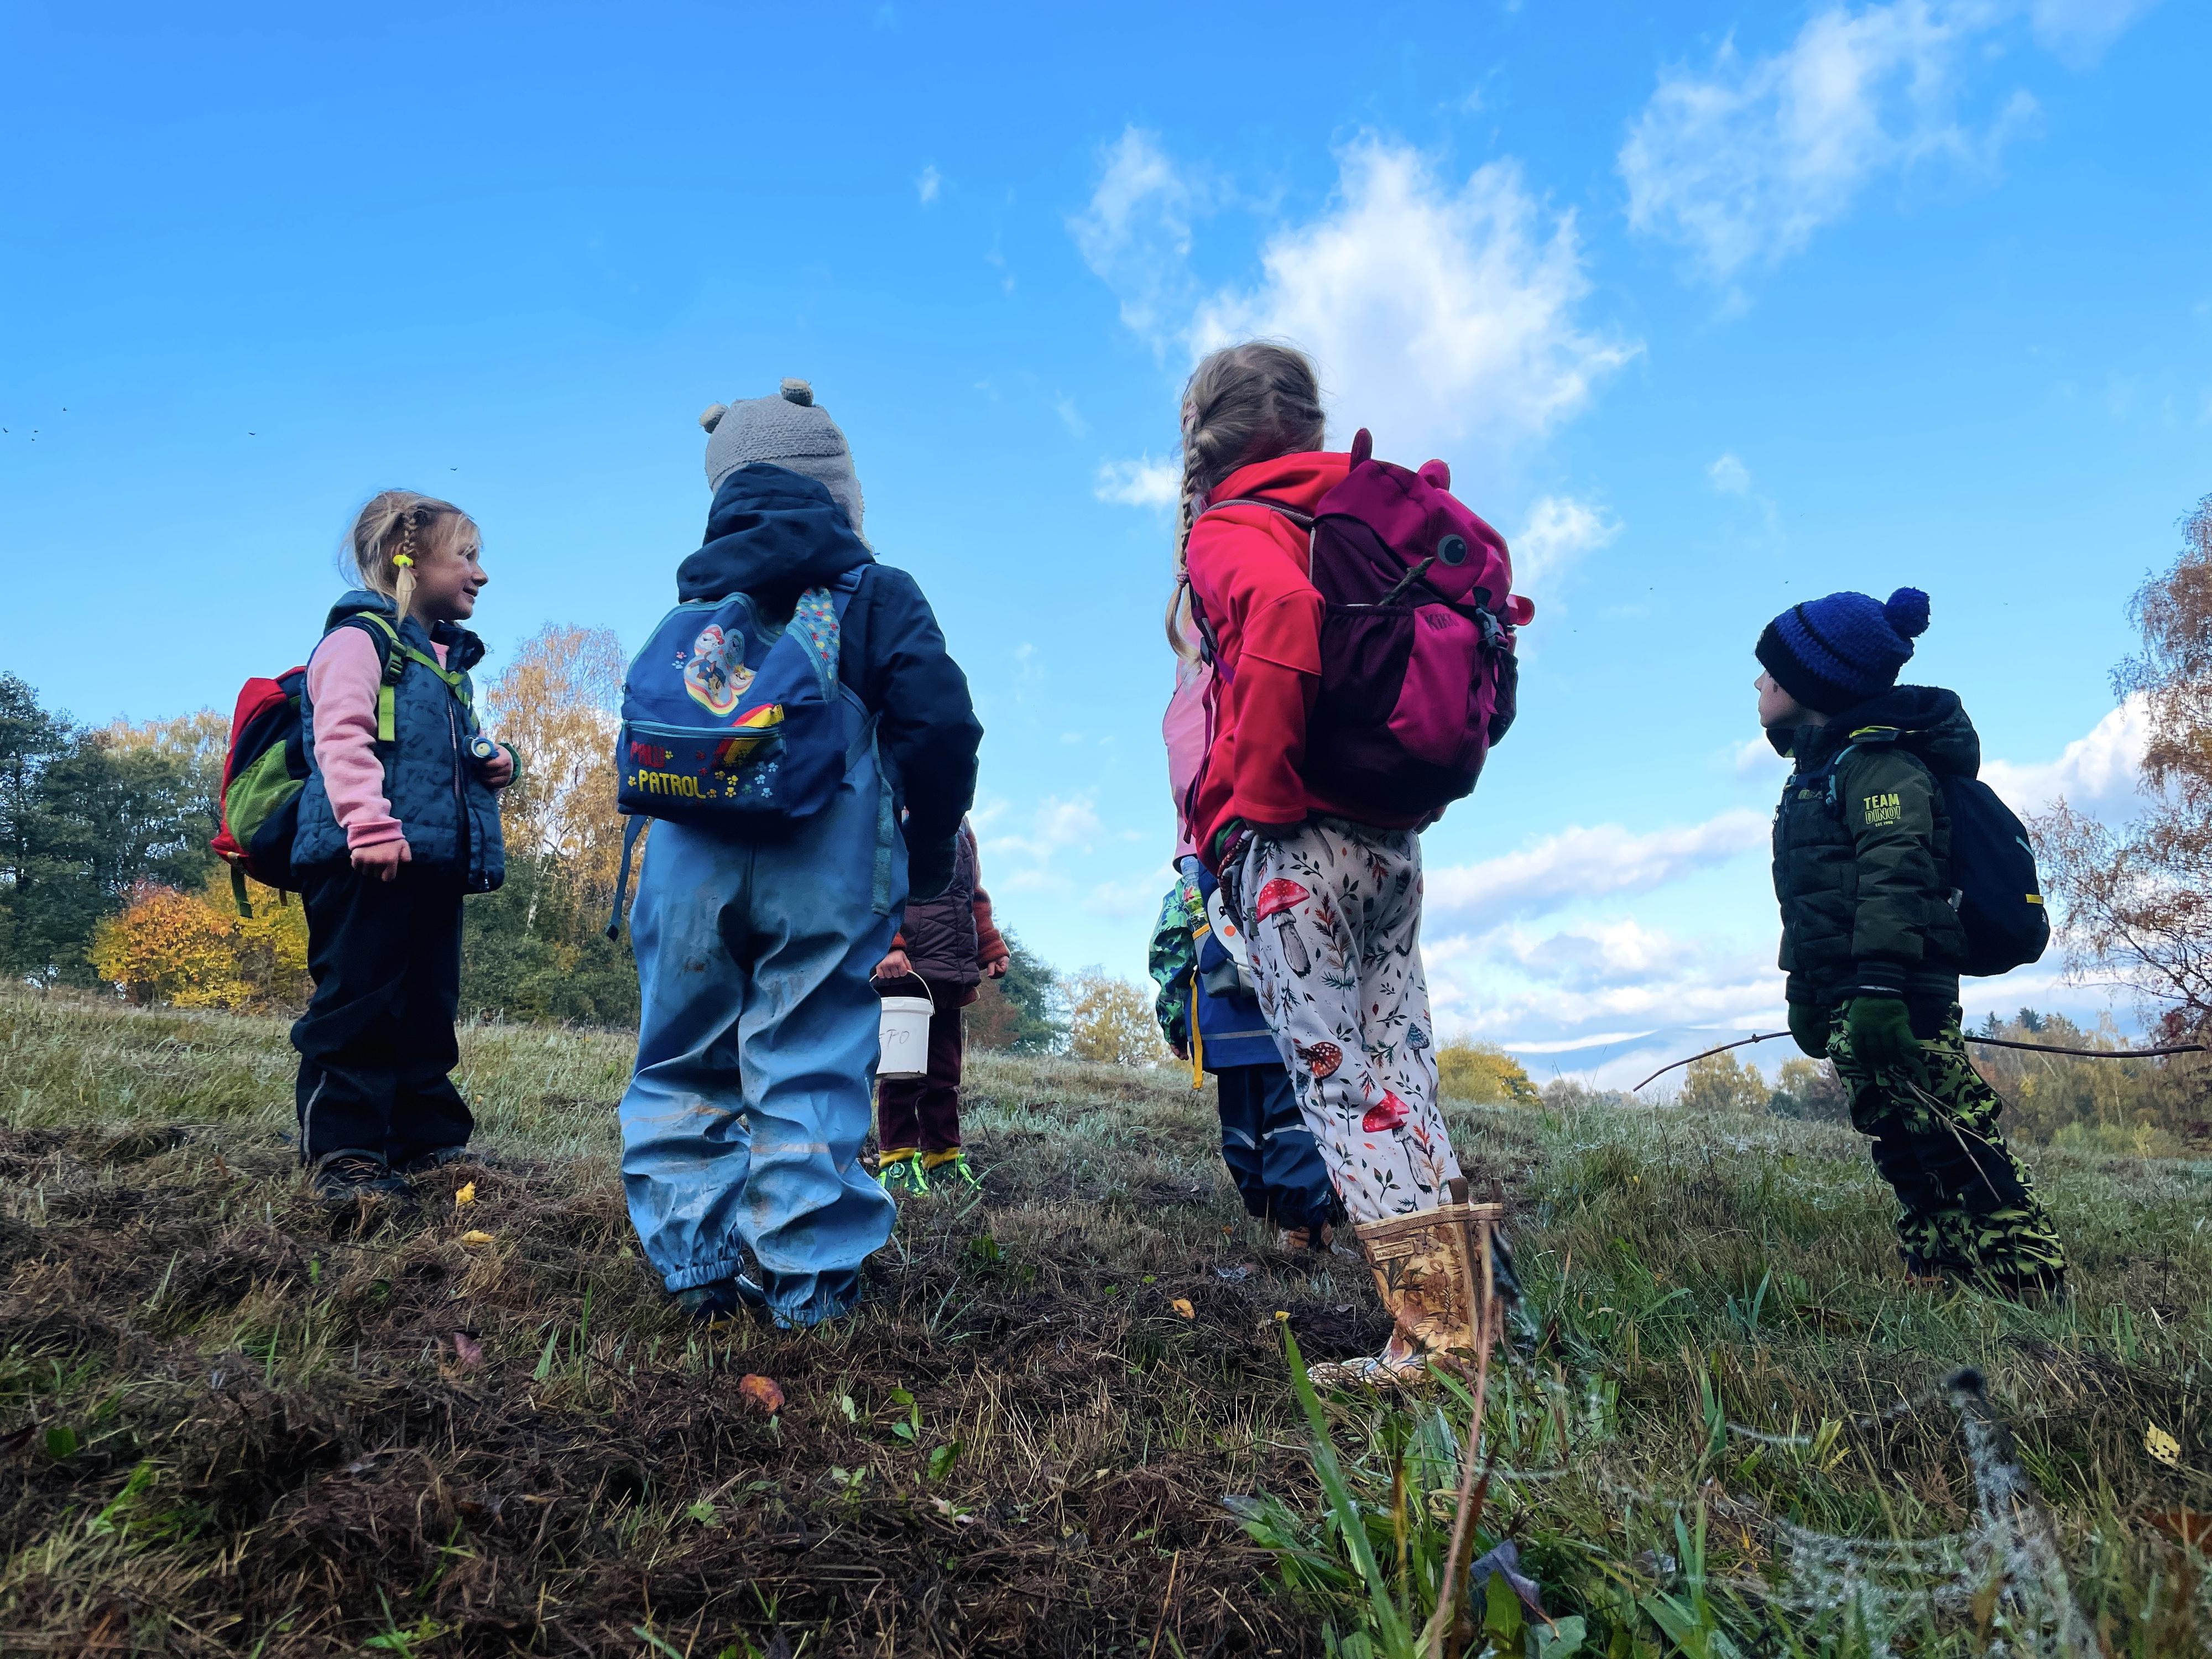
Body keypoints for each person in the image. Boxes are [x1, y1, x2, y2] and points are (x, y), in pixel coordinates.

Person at [1175, 341, 1507, 1385]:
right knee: (1401, 1072)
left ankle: (1431, 1340)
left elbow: (1278, 616)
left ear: (1204, 437)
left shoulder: (1234, 525)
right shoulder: (1358, 513)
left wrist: (1253, 807)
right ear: (1312, 426)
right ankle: (1478, 1311)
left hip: (1295, 847)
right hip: (1391, 841)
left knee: (1333, 1086)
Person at [618, 380, 981, 1329]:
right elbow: (941, 724)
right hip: (824, 864)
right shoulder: (878, 594)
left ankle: (695, 1267)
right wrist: (930, 851)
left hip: (686, 862)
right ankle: (809, 1282)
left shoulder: (697, 600)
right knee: (808, 1059)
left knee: (680, 1058)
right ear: (842, 491)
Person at [1758, 587, 2065, 1297]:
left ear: (1813, 684)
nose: (1758, 684)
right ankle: (1936, 1262)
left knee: (1948, 1126)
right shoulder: (1812, 774)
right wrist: (1804, 989)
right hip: (1848, 986)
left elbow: (1897, 876)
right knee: (1892, 1132)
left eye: (1770, 673)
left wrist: (1879, 986)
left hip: (1901, 987)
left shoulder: (1879, 766)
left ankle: (2028, 1276)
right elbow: (1807, 900)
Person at [291, 491, 516, 1209]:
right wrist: (370, 825)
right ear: (409, 559)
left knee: (426, 1003)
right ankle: (347, 1153)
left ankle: (424, 1142)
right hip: (363, 859)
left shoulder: (446, 664)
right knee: (359, 1002)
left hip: (424, 864)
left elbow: (427, 755)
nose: (481, 573)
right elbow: (341, 740)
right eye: (467, 556)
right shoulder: (358, 641)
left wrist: (489, 760)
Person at [1155, 613, 1343, 1249]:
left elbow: (1169, 948)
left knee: (1261, 1118)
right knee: (1279, 1113)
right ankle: (1293, 1215)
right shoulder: (1205, 874)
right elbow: (1171, 948)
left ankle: (1291, 1215)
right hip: (1255, 1014)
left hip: (1238, 1018)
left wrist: (1175, 1016)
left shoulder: (1191, 872)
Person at [1147, 858, 1344, 1248]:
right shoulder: (1287, 859)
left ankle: (1271, 1217)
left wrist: (1174, 1021)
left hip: (1224, 1031)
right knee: (1294, 1123)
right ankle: (1302, 1222)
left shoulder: (1191, 884)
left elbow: (1169, 952)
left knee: (1243, 1130)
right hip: (1294, 1020)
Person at [871, 817, 1008, 1195]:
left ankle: (942, 1158)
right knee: (903, 1072)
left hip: (951, 968)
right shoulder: (890, 807)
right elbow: (873, 876)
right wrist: (889, 943)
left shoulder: (960, 825)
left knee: (945, 1074)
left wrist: (990, 946)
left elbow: (973, 893)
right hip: (907, 968)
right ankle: (897, 1161)